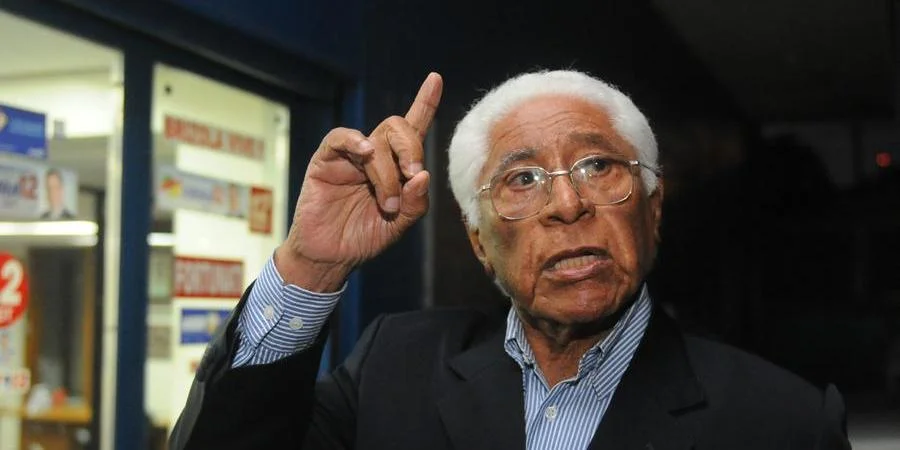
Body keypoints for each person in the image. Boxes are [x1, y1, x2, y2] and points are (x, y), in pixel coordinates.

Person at [169, 71, 851, 449]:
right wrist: (310, 266)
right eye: (522, 179)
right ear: (478, 241)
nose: (567, 204)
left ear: (652, 208)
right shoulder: (393, 369)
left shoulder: (783, 423)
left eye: (598, 166)